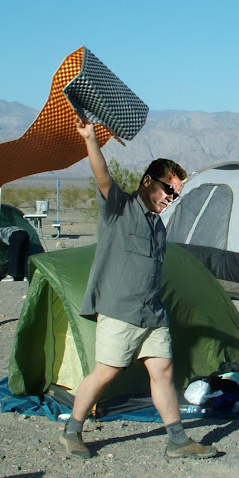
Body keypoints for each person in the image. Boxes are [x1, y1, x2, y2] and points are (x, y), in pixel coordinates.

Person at [60, 116, 217, 460]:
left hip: (152, 312)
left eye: (176, 193)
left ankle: (177, 440)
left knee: (162, 370)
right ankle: (72, 429)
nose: (171, 198)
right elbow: (103, 176)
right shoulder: (119, 208)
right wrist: (91, 140)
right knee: (105, 373)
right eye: (168, 190)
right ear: (148, 181)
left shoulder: (158, 227)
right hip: (120, 310)